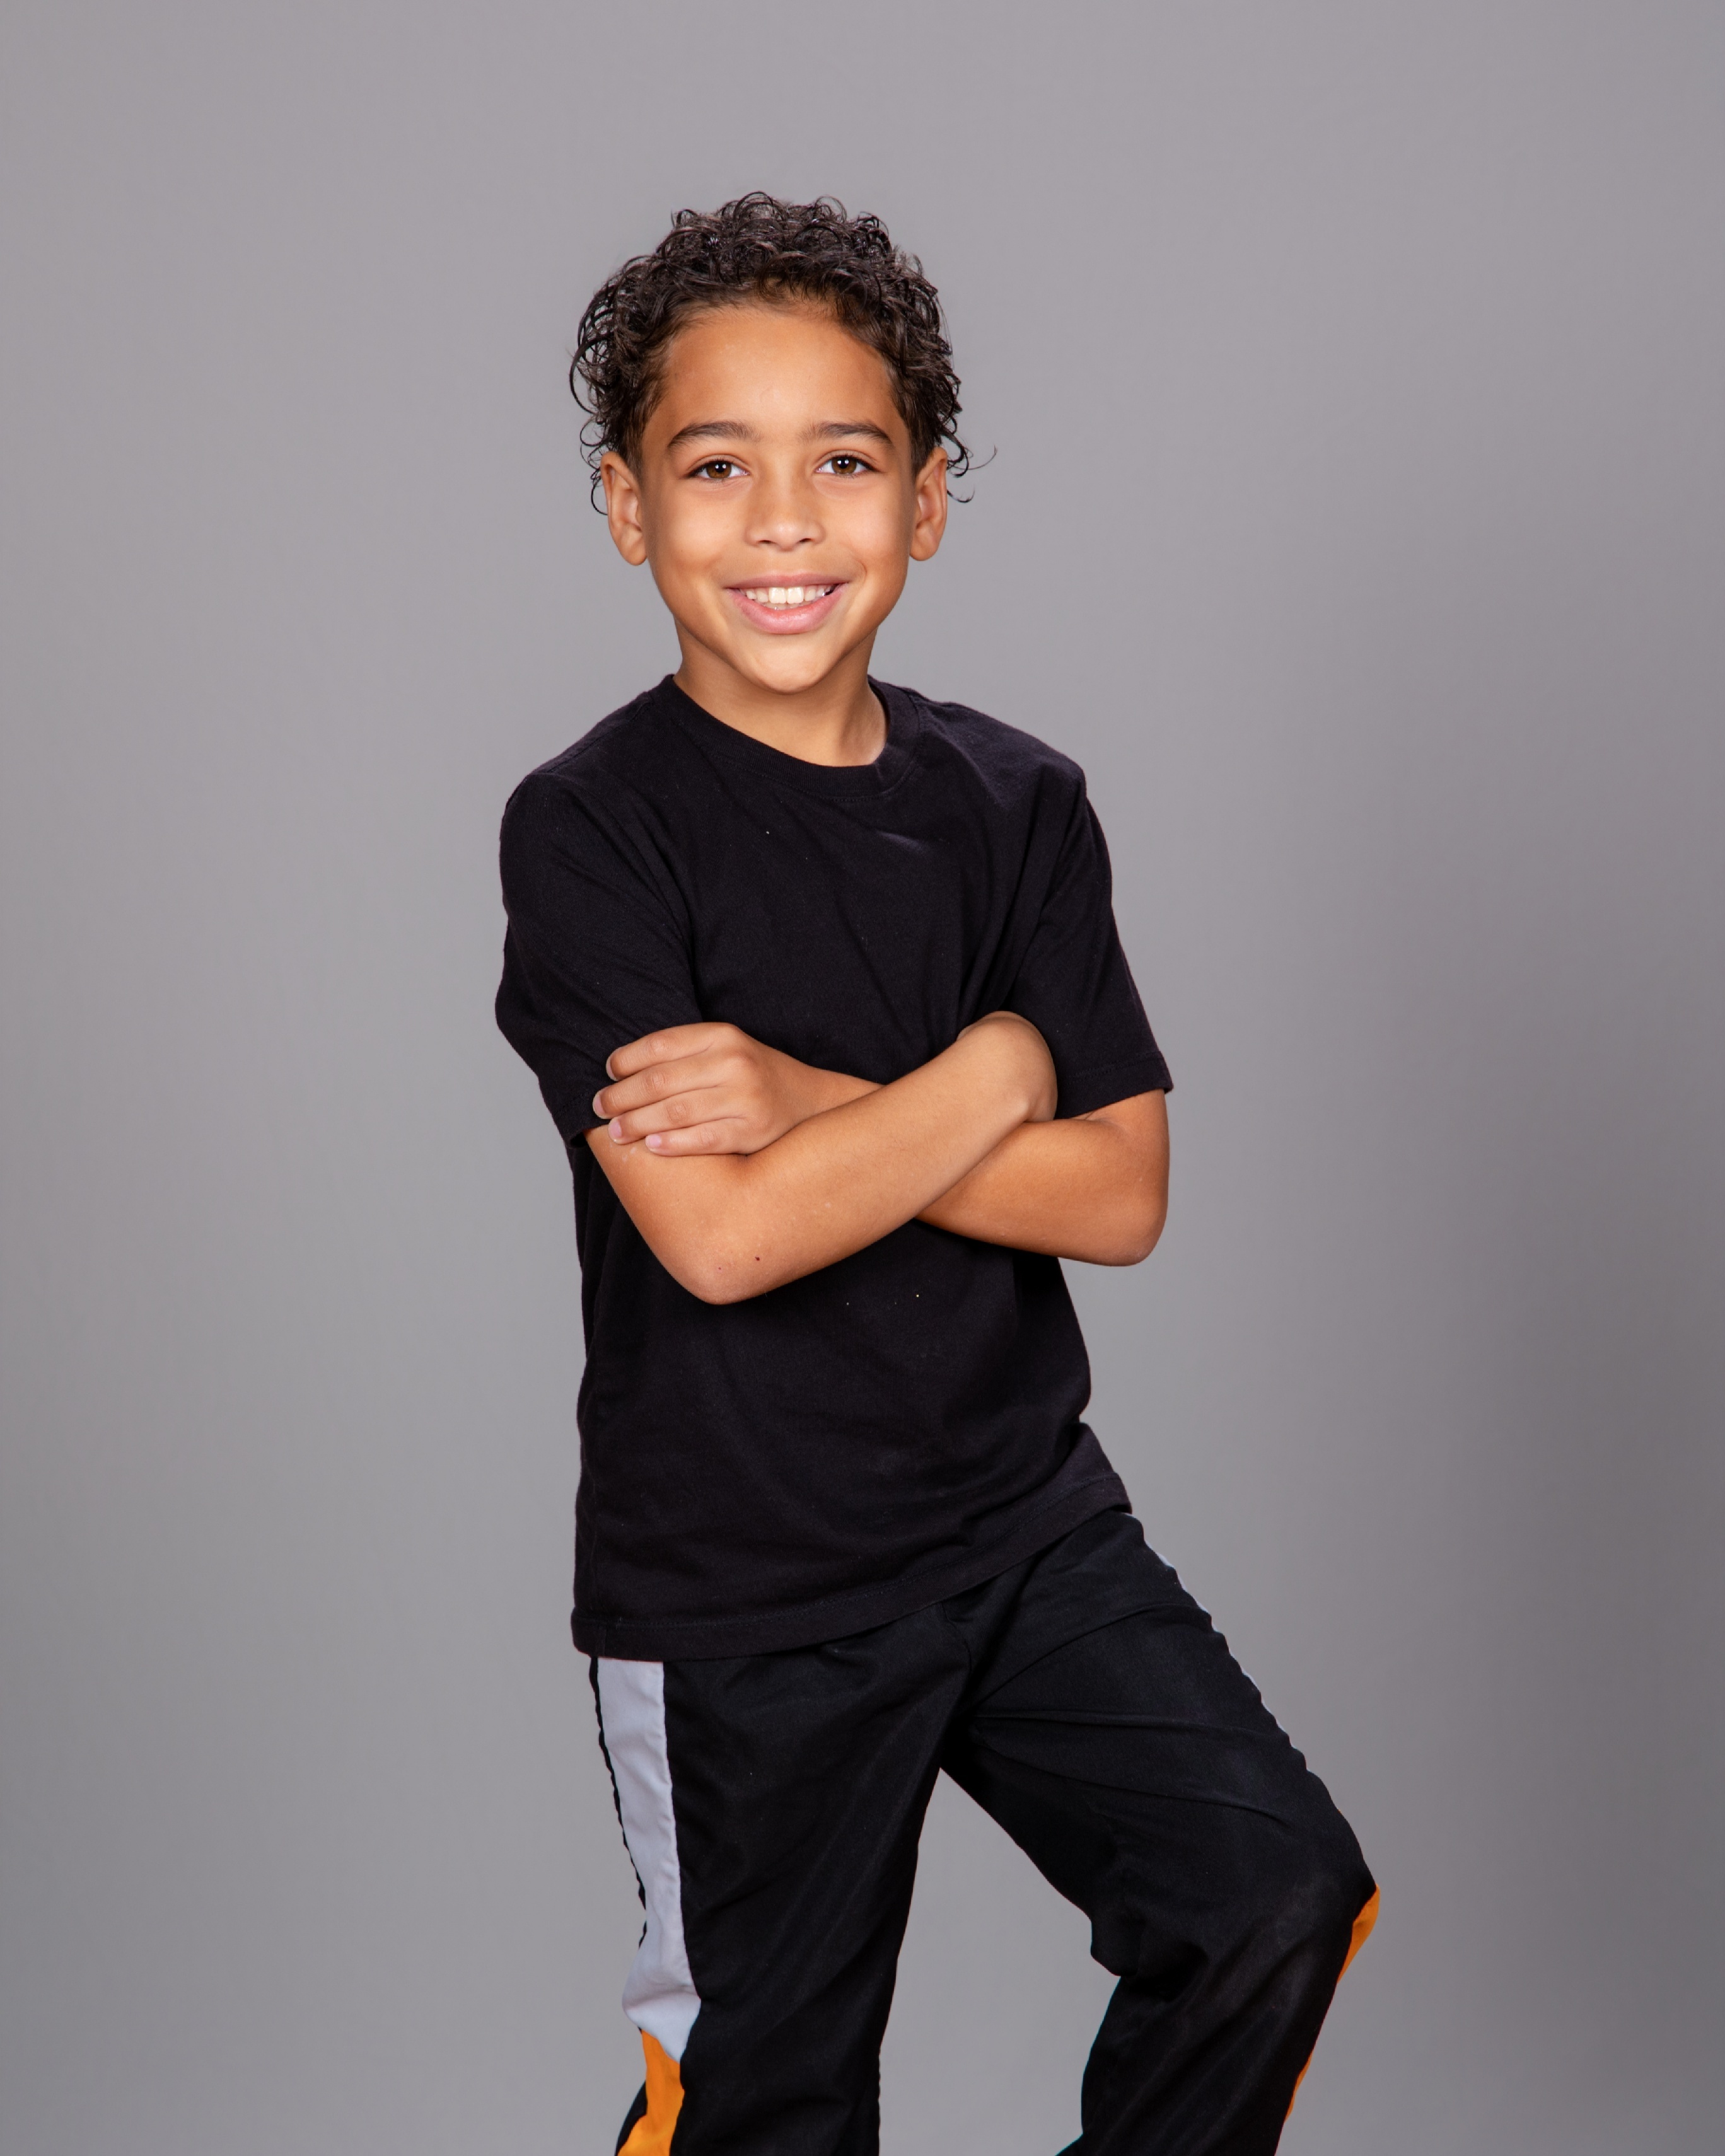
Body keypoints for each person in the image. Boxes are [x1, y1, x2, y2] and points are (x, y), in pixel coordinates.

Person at [496, 194, 1375, 2156]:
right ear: (629, 507)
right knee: (771, 2101)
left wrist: (816, 1088)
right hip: (744, 1589)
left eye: (844, 461)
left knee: (1268, 1895)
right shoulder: (594, 832)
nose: (783, 521)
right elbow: (726, 1241)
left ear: (927, 501)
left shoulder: (1019, 806)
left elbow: (1121, 1194)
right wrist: (997, 1068)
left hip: (1022, 1524)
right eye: (715, 466)